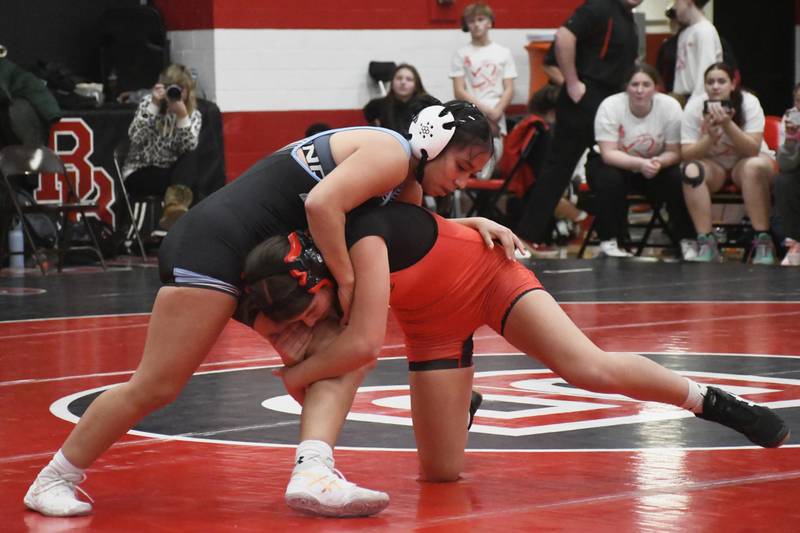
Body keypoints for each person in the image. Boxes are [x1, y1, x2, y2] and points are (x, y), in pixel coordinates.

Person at [23, 100, 520, 517]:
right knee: (157, 384)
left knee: (343, 351)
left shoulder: (403, 182)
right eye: (460, 168)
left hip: (253, 260)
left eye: (472, 176)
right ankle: (52, 478)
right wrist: (346, 281)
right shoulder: (390, 151)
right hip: (214, 246)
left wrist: (473, 222)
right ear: (431, 143)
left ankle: (313, 471)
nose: (461, 183)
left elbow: (416, 233)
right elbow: (322, 205)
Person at [246, 201, 789, 494]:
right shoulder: (322, 266)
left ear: (314, 282)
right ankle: (464, 404)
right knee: (440, 474)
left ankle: (713, 401)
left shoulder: (357, 246)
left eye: (306, 313)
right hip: (433, 323)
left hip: (488, 278)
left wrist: (297, 377)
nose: (310, 324)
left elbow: (363, 348)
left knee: (586, 367)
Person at [515, 0, 641, 250]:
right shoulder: (598, 7)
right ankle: (526, 237)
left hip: (612, 104)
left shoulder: (628, 19)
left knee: (609, 166)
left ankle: (612, 238)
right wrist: (572, 83)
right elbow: (564, 36)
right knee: (558, 170)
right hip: (585, 101)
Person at [588, 63, 694, 259]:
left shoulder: (670, 107)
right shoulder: (610, 106)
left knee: (678, 178)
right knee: (609, 179)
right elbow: (608, 153)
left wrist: (658, 163)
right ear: (626, 87)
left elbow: (675, 152)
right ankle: (610, 240)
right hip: (615, 162)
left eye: (646, 84)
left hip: (655, 164)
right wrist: (640, 164)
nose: (639, 90)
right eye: (634, 84)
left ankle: (686, 239)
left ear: (655, 87)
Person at [680, 62, 778, 264]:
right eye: (710, 82)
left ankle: (763, 240)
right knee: (690, 170)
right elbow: (687, 154)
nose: (715, 86)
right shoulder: (695, 106)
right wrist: (709, 137)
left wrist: (727, 124)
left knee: (753, 167)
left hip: (748, 161)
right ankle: (706, 240)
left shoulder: (749, 102)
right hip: (714, 166)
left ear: (732, 84)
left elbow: (752, 149)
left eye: (721, 81)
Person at [121, 63, 202, 230]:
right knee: (189, 188)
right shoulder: (148, 104)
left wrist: (181, 117)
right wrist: (154, 106)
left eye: (183, 89)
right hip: (141, 170)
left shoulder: (192, 115)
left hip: (172, 173)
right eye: (174, 88)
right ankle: (175, 213)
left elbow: (189, 145)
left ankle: (174, 211)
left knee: (192, 159)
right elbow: (135, 136)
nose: (179, 93)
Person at [450, 2, 517, 180]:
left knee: (493, 164)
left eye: (481, 19)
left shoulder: (503, 52)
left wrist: (497, 111)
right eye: (471, 21)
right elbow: (459, 90)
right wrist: (485, 111)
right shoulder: (461, 54)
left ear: (489, 22)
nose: (477, 24)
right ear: (466, 25)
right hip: (472, 113)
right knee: (471, 166)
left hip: (497, 115)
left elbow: (509, 88)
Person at [362, 64, 437, 135]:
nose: (403, 82)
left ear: (416, 84)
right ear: (392, 82)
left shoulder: (427, 103)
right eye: (399, 78)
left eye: (409, 79)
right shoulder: (378, 105)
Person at [672, 0, 722, 101]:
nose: (675, 7)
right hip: (681, 98)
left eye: (676, 2)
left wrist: (697, 102)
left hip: (696, 98)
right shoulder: (684, 33)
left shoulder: (704, 30)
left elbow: (707, 71)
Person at [774, 82, 800, 266]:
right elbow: (785, 164)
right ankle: (796, 239)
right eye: (799, 101)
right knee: (784, 180)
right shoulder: (791, 117)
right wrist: (791, 140)